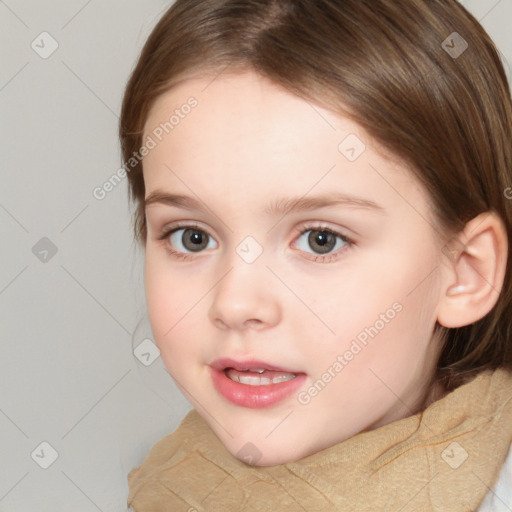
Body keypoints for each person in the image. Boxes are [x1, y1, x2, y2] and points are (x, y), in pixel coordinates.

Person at [119, 0, 512, 509]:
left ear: (465, 273)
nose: (235, 304)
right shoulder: (167, 487)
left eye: (320, 240)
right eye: (192, 236)